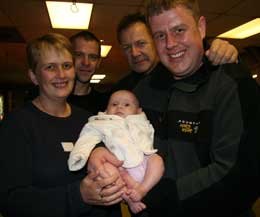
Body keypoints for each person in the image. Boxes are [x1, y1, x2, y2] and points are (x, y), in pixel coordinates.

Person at [88, 1, 260, 217]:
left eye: (179, 30)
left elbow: (241, 176)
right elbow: (114, 127)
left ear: (201, 27)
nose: (170, 43)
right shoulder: (145, 89)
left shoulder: (233, 84)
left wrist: (158, 196)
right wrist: (98, 151)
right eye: (160, 35)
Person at [0, 33, 125, 217]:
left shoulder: (89, 121)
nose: (61, 74)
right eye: (50, 67)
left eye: (66, 66)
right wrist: (78, 195)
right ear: (34, 76)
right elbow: (10, 200)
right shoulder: (18, 124)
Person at [68, 90, 164, 214]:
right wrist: (79, 155)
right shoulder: (100, 123)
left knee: (156, 159)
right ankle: (128, 198)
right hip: (118, 166)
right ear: (106, 110)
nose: (119, 107)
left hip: (143, 163)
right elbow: (86, 138)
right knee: (105, 170)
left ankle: (143, 189)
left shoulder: (142, 121)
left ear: (139, 111)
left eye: (127, 105)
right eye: (114, 104)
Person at [112, 12, 239, 91]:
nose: (134, 53)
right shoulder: (121, 90)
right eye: (127, 48)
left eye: (141, 43)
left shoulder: (181, 72)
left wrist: (218, 49)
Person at [67, 31, 107, 114]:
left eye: (93, 57)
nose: (86, 63)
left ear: (98, 62)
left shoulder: (106, 105)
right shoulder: (52, 99)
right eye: (79, 55)